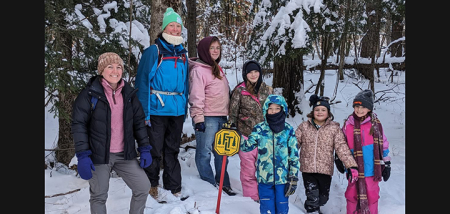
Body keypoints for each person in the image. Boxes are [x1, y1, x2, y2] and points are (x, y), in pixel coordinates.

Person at [71, 52, 152, 214]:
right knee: (99, 196)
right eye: (110, 67)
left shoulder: (129, 94)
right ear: (101, 71)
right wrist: (83, 155)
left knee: (143, 187)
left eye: (119, 67)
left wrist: (144, 148)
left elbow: (138, 123)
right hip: (99, 156)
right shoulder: (89, 95)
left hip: (124, 155)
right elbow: (79, 125)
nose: (115, 71)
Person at [134, 7, 189, 199]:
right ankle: (151, 186)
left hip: (177, 110)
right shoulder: (154, 51)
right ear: (164, 28)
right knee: (154, 150)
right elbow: (141, 82)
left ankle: (174, 187)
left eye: (178, 26)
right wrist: (144, 113)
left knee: (173, 150)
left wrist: (185, 107)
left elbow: (185, 83)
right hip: (156, 109)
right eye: (171, 25)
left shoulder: (183, 53)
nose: (175, 29)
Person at [188, 35, 236, 196]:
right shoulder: (198, 70)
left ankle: (224, 182)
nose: (215, 51)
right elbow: (196, 96)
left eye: (218, 48)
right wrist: (198, 119)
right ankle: (208, 185)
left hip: (222, 117)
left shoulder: (216, 68)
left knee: (222, 152)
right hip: (207, 118)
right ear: (204, 50)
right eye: (212, 48)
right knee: (204, 152)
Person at [294, 94, 358, 214]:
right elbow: (294, 144)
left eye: (323, 110)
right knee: (312, 196)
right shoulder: (304, 127)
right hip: (308, 169)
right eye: (317, 110)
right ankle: (312, 210)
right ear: (312, 112)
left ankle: (316, 207)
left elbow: (341, 147)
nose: (319, 112)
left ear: (328, 113)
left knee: (323, 198)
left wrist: (351, 165)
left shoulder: (334, 129)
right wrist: (287, 156)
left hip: (325, 170)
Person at [240, 94, 300, 214]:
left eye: (277, 108)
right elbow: (246, 147)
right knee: (267, 210)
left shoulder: (288, 130)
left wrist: (293, 176)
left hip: (282, 180)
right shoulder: (260, 129)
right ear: (265, 109)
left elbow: (294, 155)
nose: (273, 111)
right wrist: (237, 137)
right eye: (270, 108)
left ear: (283, 109)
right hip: (264, 179)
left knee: (282, 209)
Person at [228, 60, 273, 202]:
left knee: (265, 169)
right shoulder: (239, 90)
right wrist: (232, 129)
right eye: (250, 72)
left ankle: (265, 197)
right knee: (248, 171)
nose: (253, 75)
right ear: (245, 74)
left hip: (265, 137)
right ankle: (251, 199)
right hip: (246, 137)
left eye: (256, 71)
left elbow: (276, 111)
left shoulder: (268, 90)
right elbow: (233, 113)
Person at [342, 89, 391, 214]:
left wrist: (387, 163)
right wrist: (339, 159)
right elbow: (341, 144)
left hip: (372, 169)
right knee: (352, 194)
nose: (359, 109)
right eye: (357, 106)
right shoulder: (348, 124)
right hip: (354, 169)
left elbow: (383, 144)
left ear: (369, 108)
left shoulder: (375, 125)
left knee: (372, 195)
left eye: (363, 106)